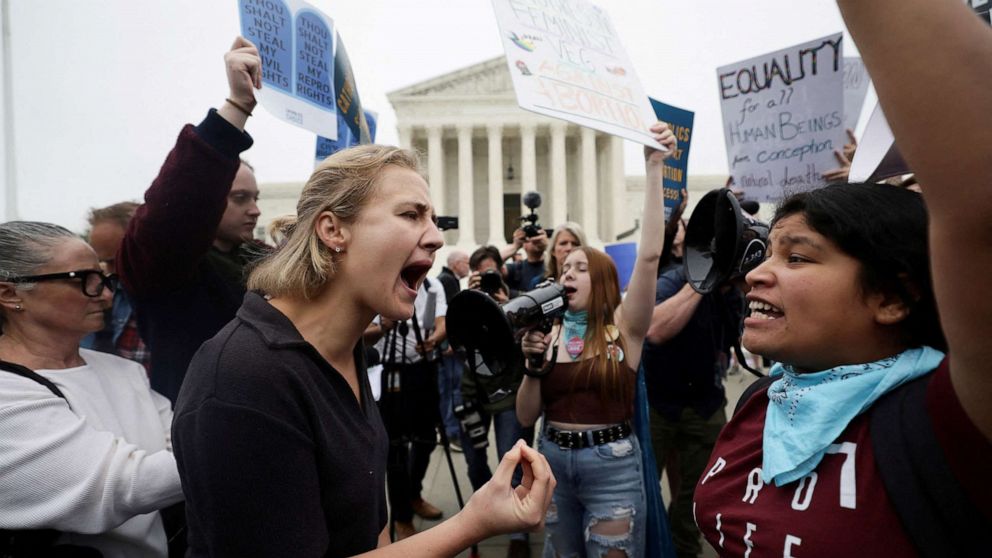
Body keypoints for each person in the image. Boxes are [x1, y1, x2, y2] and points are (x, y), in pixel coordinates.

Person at [693, 2, 992, 554]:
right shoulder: (764, 402)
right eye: (768, 252)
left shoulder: (953, 417)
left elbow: (978, 212)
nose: (755, 274)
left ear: (891, 297)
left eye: (797, 257)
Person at [172, 142, 555, 557]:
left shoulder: (343, 351)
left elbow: (369, 527)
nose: (435, 238)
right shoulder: (242, 383)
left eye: (430, 217)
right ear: (334, 230)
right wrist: (473, 524)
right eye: (411, 215)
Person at [515, 123, 677, 557]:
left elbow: (648, 256)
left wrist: (653, 166)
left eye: (581, 268)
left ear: (604, 281)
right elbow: (527, 416)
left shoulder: (625, 326)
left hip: (612, 468)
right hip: (552, 464)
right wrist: (532, 367)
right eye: (565, 268)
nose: (568, 273)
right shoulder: (548, 333)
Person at [0, 221, 183, 558]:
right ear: (10, 294)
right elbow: (117, 486)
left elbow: (181, 442)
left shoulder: (122, 370)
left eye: (104, 279)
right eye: (83, 280)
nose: (107, 295)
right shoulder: (6, 392)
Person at [117, 37, 265, 404]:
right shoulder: (166, 270)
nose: (256, 210)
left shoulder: (262, 261)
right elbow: (176, 212)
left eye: (256, 198)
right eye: (240, 198)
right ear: (209, 198)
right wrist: (237, 107)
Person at [642, 232, 744, 558]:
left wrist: (734, 288)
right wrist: (702, 282)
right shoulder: (674, 280)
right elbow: (656, 329)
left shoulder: (733, 295)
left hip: (705, 404)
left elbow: (741, 341)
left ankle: (684, 549)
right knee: (643, 490)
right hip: (659, 403)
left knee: (698, 494)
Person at [459, 245, 535, 558]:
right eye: (481, 275)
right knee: (475, 462)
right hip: (473, 393)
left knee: (514, 459)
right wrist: (470, 301)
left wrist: (508, 310)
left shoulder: (519, 299)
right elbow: (455, 341)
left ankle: (518, 532)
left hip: (508, 394)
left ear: (502, 271)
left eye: (492, 272)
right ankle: (482, 515)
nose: (489, 280)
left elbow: (530, 339)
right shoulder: (466, 303)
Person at [374, 276, 448, 539]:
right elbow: (362, 333)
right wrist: (384, 326)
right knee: (396, 447)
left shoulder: (432, 286)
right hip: (389, 370)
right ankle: (402, 515)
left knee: (427, 439)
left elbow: (442, 322)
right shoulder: (381, 281)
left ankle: (413, 493)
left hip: (422, 367)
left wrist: (434, 339)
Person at [82, 201, 152, 372]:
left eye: (114, 261)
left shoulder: (175, 296)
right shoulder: (105, 293)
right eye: (103, 262)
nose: (110, 272)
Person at [436, 249, 470, 447]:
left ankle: (447, 430)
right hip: (449, 346)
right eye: (466, 261)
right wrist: (450, 341)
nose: (468, 265)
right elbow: (449, 314)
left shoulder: (447, 279)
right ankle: (450, 432)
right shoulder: (448, 281)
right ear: (455, 264)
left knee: (449, 388)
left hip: (447, 343)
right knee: (452, 388)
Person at [538, 222, 587, 287]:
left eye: (575, 244)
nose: (569, 248)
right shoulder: (540, 283)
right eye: (563, 243)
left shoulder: (592, 283)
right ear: (553, 250)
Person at [503, 228, 549, 295]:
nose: (535, 239)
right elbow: (492, 266)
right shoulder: (516, 268)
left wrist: (549, 246)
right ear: (524, 244)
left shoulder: (553, 267)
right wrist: (515, 246)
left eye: (537, 235)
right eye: (530, 236)